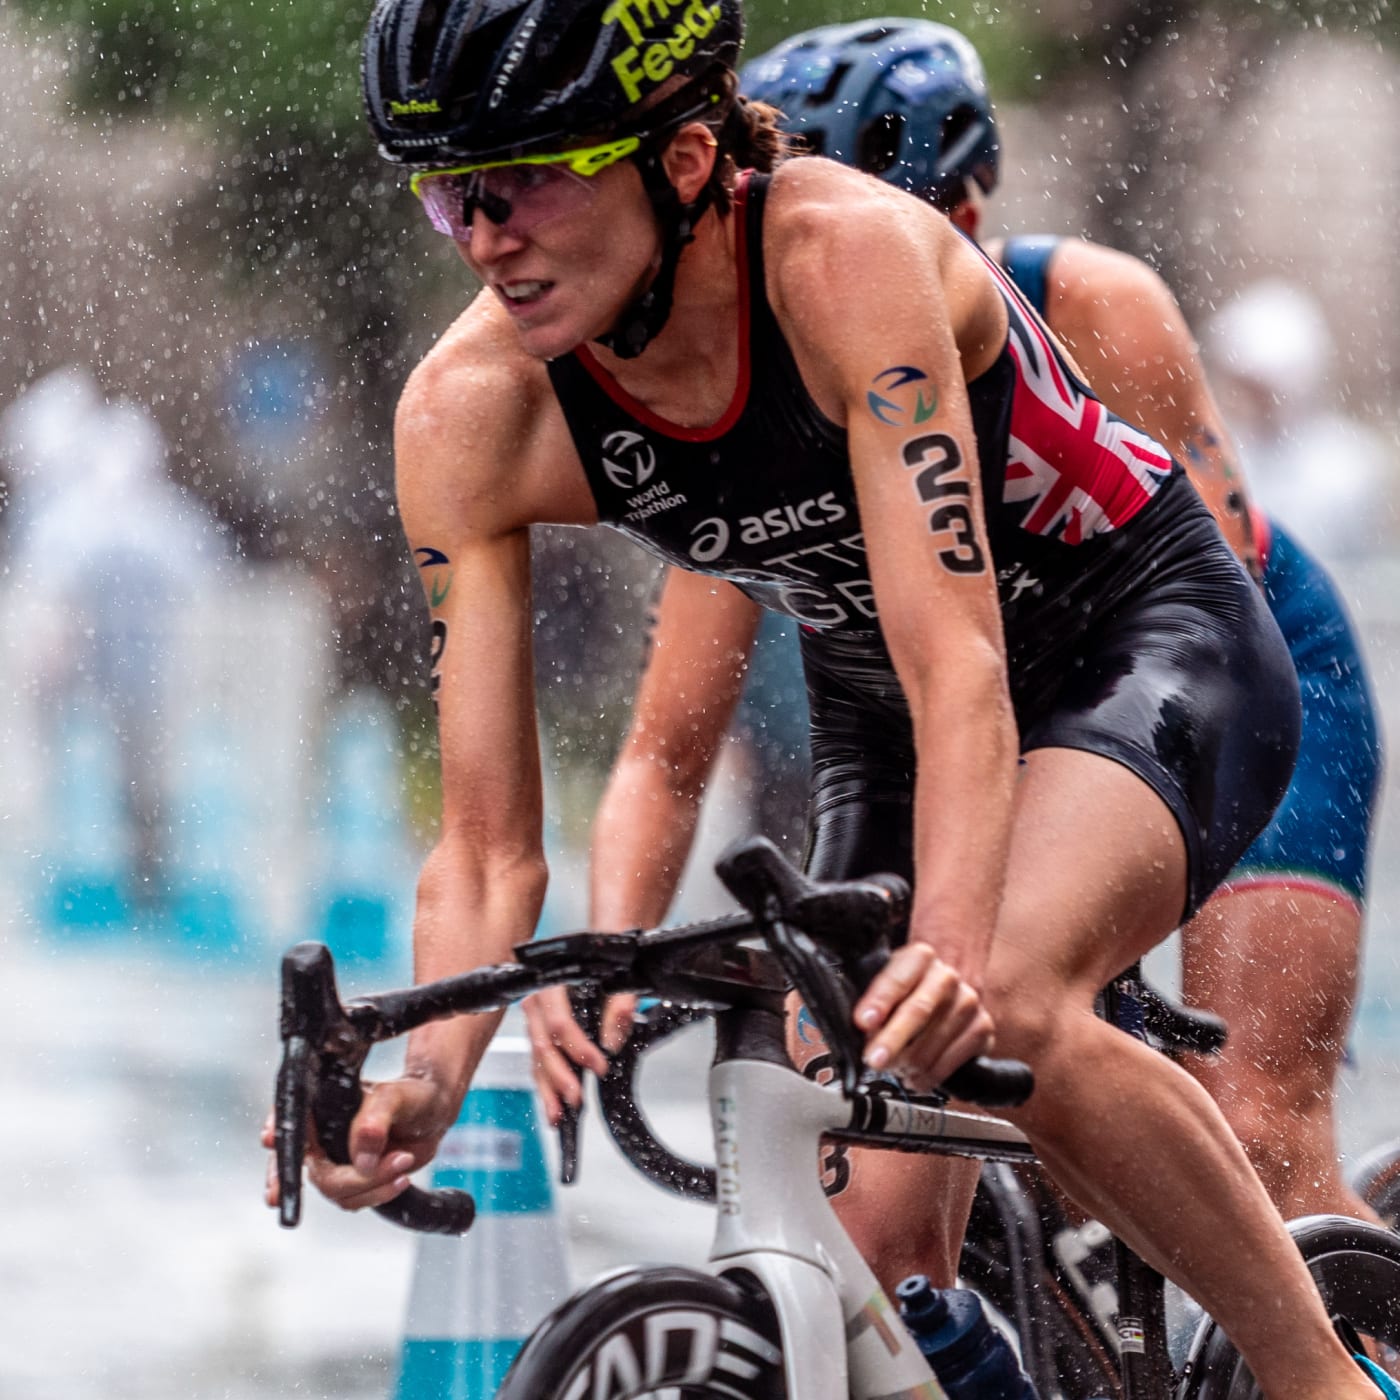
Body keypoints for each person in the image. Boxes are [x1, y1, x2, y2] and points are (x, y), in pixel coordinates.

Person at [266, 1, 1381, 1393]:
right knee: (881, 1262)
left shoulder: (843, 258)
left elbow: (961, 665)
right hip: (889, 712)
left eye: (533, 176)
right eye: (450, 196)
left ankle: (1323, 1378)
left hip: (1134, 639)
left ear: (681, 161)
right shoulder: (465, 413)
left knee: (1015, 1003)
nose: (488, 234)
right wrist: (422, 1083)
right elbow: (488, 846)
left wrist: (960, 952)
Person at [724, 16, 1384, 1232]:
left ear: (972, 210)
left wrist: (1088, 891)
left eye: (917, 229)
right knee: (896, 1138)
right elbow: (666, 748)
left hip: (1234, 664)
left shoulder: (1093, 302)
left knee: (1250, 1120)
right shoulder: (749, 391)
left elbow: (1207, 606)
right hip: (999, 717)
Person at [1203, 277, 1398, 568]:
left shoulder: (1348, 465)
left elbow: (1363, 570)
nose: (1248, 401)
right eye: (1243, 385)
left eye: (1261, 389)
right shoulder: (1219, 454)